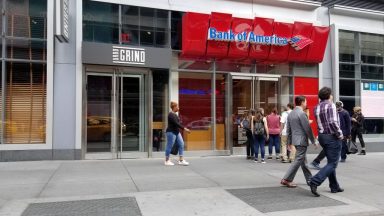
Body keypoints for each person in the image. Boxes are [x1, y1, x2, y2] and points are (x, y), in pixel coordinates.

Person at [309, 87, 344, 197]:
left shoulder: (316, 107)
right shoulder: (331, 105)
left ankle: (334, 186)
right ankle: (315, 181)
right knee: (333, 163)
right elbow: (333, 122)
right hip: (332, 137)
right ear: (329, 96)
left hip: (322, 136)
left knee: (330, 162)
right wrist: (340, 134)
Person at [280, 96, 317, 188]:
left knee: (303, 160)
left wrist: (289, 141)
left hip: (295, 140)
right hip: (301, 140)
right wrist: (313, 140)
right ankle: (287, 179)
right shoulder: (302, 113)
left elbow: (288, 129)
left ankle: (309, 179)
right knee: (298, 160)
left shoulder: (291, 113)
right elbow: (307, 128)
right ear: (302, 102)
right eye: (306, 102)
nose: (306, 104)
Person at [164, 101, 191, 166]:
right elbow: (176, 123)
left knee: (181, 144)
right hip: (171, 132)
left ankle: (181, 160)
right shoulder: (171, 114)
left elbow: (177, 123)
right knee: (169, 146)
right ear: (174, 107)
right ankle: (167, 161)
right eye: (177, 106)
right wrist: (185, 129)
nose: (178, 108)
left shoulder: (175, 114)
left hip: (176, 132)